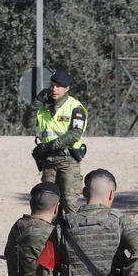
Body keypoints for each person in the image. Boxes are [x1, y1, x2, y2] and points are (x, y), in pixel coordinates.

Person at [31, 70, 87, 214]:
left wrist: (49, 146)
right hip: (49, 162)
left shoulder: (75, 107)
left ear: (67, 88)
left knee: (69, 204)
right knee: (47, 204)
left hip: (68, 162)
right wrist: (36, 103)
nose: (54, 89)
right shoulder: (44, 106)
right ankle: (50, 236)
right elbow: (27, 122)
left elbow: (75, 134)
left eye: (59, 86)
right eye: (52, 85)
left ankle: (71, 235)